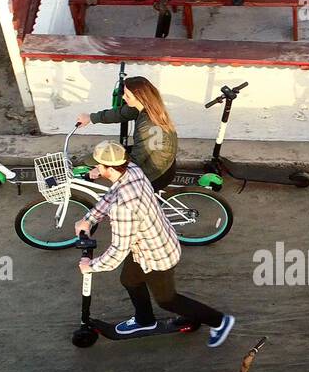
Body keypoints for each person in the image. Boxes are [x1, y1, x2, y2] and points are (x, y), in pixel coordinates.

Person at [73, 141, 235, 347]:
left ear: (110, 169)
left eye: (98, 165)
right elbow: (111, 195)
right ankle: (144, 320)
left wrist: (90, 265)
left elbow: (117, 252)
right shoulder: (131, 170)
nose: (94, 168)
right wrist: (90, 219)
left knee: (167, 299)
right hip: (145, 244)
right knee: (130, 280)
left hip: (158, 254)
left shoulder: (124, 208)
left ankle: (220, 321)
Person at [76, 77, 178, 191]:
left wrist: (104, 169)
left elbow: (137, 160)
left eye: (127, 95)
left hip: (157, 173)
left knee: (119, 190)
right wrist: (91, 118)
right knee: (108, 156)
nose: (124, 97)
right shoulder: (142, 107)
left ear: (140, 98)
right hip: (155, 161)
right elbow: (120, 114)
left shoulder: (149, 126)